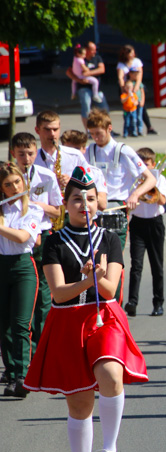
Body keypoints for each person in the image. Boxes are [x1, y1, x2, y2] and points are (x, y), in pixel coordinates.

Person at [23, 166, 148, 452]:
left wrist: (98, 279)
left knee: (111, 373)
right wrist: (87, 278)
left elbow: (109, 290)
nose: (84, 205)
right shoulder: (53, 242)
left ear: (98, 203)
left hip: (103, 318)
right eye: (77, 199)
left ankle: (110, 449)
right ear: (66, 203)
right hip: (68, 321)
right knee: (79, 406)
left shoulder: (109, 238)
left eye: (90, 199)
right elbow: (59, 293)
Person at [10, 132, 62, 349]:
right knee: (19, 295)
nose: (27, 158)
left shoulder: (46, 176)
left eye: (30, 153)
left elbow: (57, 211)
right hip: (16, 238)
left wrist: (33, 204)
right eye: (21, 154)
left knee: (43, 292)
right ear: (13, 154)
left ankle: (42, 344)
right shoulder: (8, 177)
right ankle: (20, 348)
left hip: (42, 234)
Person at [86, 110, 156, 253]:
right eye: (92, 134)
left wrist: (135, 194)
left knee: (114, 258)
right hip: (95, 208)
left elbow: (151, 179)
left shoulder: (124, 151)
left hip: (116, 208)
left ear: (109, 128)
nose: (95, 138)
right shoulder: (89, 151)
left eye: (99, 133)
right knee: (95, 258)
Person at [0, 163, 42, 398]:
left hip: (23, 267)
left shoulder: (33, 209)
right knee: (3, 324)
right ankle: (11, 370)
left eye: (17, 182)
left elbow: (23, 237)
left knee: (20, 323)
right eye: (8, 185)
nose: (14, 187)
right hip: (1, 265)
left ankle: (21, 377)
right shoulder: (2, 209)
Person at [126, 148, 166, 318]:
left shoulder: (160, 178)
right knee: (136, 265)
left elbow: (163, 200)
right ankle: (132, 303)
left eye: (148, 164)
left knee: (156, 266)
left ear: (153, 164)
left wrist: (152, 185)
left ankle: (158, 303)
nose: (145, 167)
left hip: (155, 224)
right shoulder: (133, 180)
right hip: (137, 224)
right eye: (142, 164)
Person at [33, 111, 91, 194]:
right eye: (47, 130)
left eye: (55, 129)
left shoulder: (75, 156)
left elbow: (90, 186)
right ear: (37, 130)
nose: (52, 134)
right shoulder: (32, 159)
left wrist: (72, 182)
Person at [59, 129, 108, 210]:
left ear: (84, 149)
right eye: (69, 149)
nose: (73, 154)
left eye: (76, 149)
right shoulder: (56, 171)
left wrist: (73, 185)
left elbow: (102, 204)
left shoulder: (95, 172)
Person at [116, 45, 157, 136]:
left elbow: (140, 74)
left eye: (133, 52)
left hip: (136, 88)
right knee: (128, 109)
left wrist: (137, 86)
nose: (133, 54)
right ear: (126, 54)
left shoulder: (137, 61)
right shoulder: (121, 64)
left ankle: (148, 127)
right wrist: (124, 89)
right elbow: (120, 77)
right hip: (126, 88)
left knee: (141, 108)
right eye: (131, 53)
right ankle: (130, 128)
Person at [70, 42, 109, 129]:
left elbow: (102, 69)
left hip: (97, 88)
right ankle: (88, 131)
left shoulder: (97, 58)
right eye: (92, 50)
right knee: (86, 109)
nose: (95, 52)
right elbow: (69, 72)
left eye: (95, 50)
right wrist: (79, 80)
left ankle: (106, 130)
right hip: (83, 88)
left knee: (104, 109)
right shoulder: (79, 59)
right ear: (86, 50)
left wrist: (88, 73)